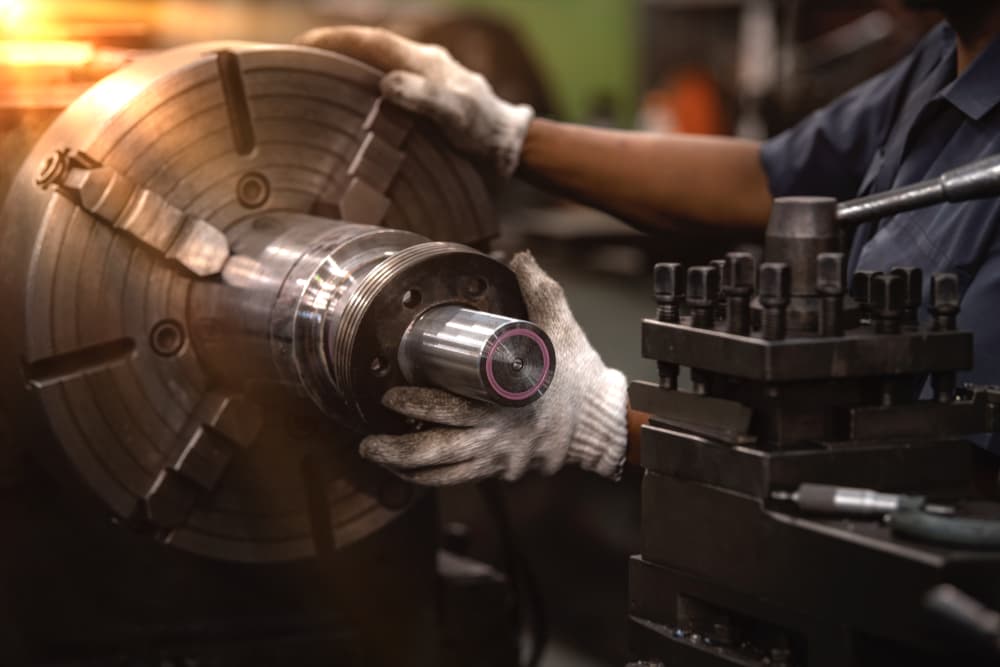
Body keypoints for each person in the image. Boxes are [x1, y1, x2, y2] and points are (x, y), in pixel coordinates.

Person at [295, 0, 1000, 486]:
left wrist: (606, 426)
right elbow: (763, 179)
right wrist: (505, 131)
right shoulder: (945, 60)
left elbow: (960, 480)